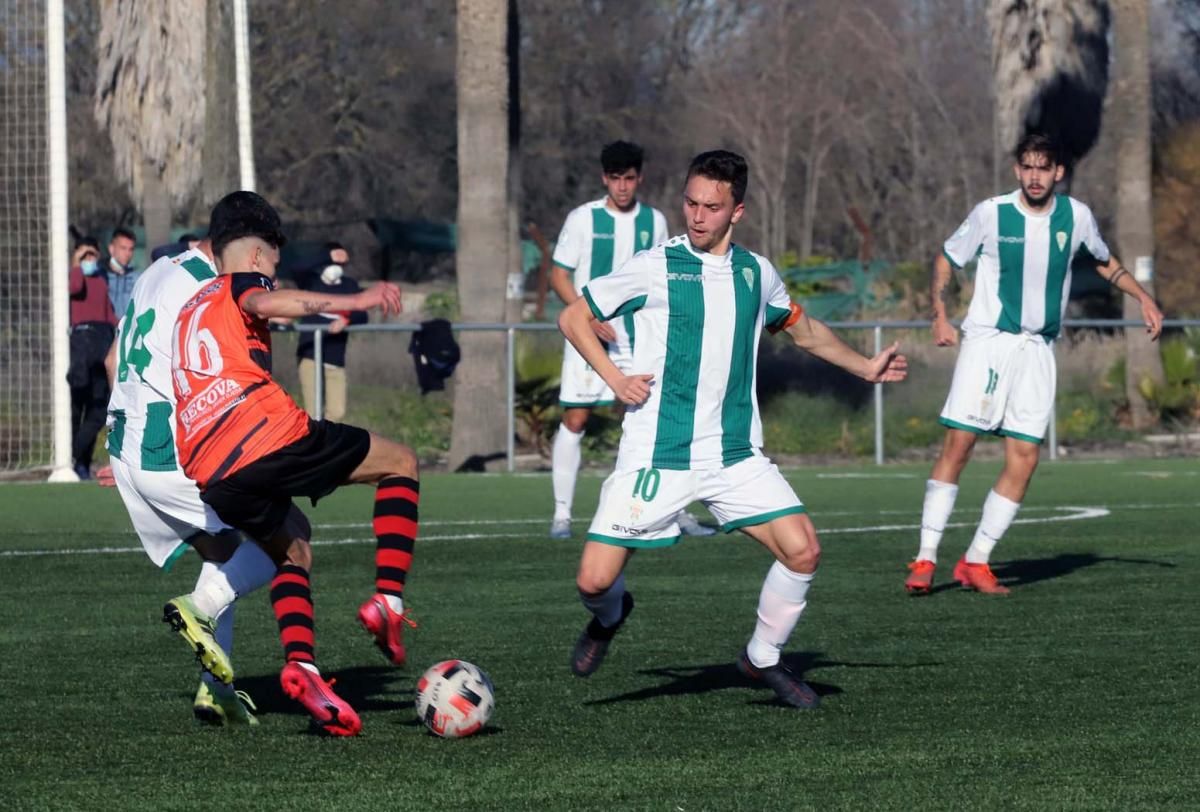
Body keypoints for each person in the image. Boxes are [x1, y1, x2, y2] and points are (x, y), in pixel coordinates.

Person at [557, 150, 907, 708]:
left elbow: (805, 330)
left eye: (711, 207)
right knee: (594, 583)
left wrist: (865, 367)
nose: (697, 216)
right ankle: (612, 615)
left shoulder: (756, 273)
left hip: (733, 455)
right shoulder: (655, 265)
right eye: (691, 203)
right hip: (657, 452)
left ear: (736, 211)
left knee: (804, 551)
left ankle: (762, 656)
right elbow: (573, 317)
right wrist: (616, 378)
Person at [169, 191, 415, 737]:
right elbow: (261, 304)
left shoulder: (190, 308)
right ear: (257, 256)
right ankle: (390, 603)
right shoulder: (243, 285)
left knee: (294, 545)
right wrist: (356, 300)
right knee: (400, 463)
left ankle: (303, 667)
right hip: (263, 435)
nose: (275, 271)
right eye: (275, 260)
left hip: (211, 470)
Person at [904, 132, 1163, 596]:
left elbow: (1104, 261)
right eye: (1028, 166)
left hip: (1038, 350)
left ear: (1059, 172)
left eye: (1044, 168)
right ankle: (925, 558)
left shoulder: (1076, 216)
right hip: (988, 343)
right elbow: (947, 259)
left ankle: (976, 561)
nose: (1035, 176)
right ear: (1017, 170)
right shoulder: (992, 213)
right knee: (958, 446)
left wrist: (1144, 298)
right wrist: (940, 316)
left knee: (1025, 456)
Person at [104, 230, 277, 725]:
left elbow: (115, 360)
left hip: (129, 443)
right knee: (283, 539)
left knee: (223, 549)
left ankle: (216, 688)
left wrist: (119, 431)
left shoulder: (156, 269)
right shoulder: (210, 289)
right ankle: (195, 608)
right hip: (163, 447)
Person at [549, 140, 712, 540]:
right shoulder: (582, 219)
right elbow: (558, 275)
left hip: (639, 342)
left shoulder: (654, 221)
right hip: (591, 338)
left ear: (639, 178)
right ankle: (562, 515)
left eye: (629, 178)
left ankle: (675, 514)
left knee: (656, 422)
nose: (622, 187)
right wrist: (587, 317)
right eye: (615, 179)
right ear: (605, 179)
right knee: (577, 418)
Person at [295, 242, 368, 421]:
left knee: (337, 412)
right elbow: (296, 268)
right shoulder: (311, 282)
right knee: (314, 413)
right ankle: (315, 446)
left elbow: (363, 314)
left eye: (340, 264)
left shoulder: (349, 285)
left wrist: (346, 319)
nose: (336, 268)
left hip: (335, 358)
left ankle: (326, 444)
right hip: (311, 355)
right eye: (332, 263)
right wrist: (328, 256)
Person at [68, 236, 118, 480]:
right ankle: (76, 463)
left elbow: (110, 315)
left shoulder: (100, 280)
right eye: (84, 256)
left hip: (100, 344)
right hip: (79, 346)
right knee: (76, 408)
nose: (89, 260)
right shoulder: (74, 276)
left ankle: (76, 458)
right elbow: (74, 288)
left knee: (97, 410)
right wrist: (76, 262)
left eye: (92, 256)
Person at [105, 227, 140, 318]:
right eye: (123, 248)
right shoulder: (102, 276)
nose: (127, 253)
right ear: (111, 249)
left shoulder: (137, 277)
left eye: (131, 249)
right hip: (106, 329)